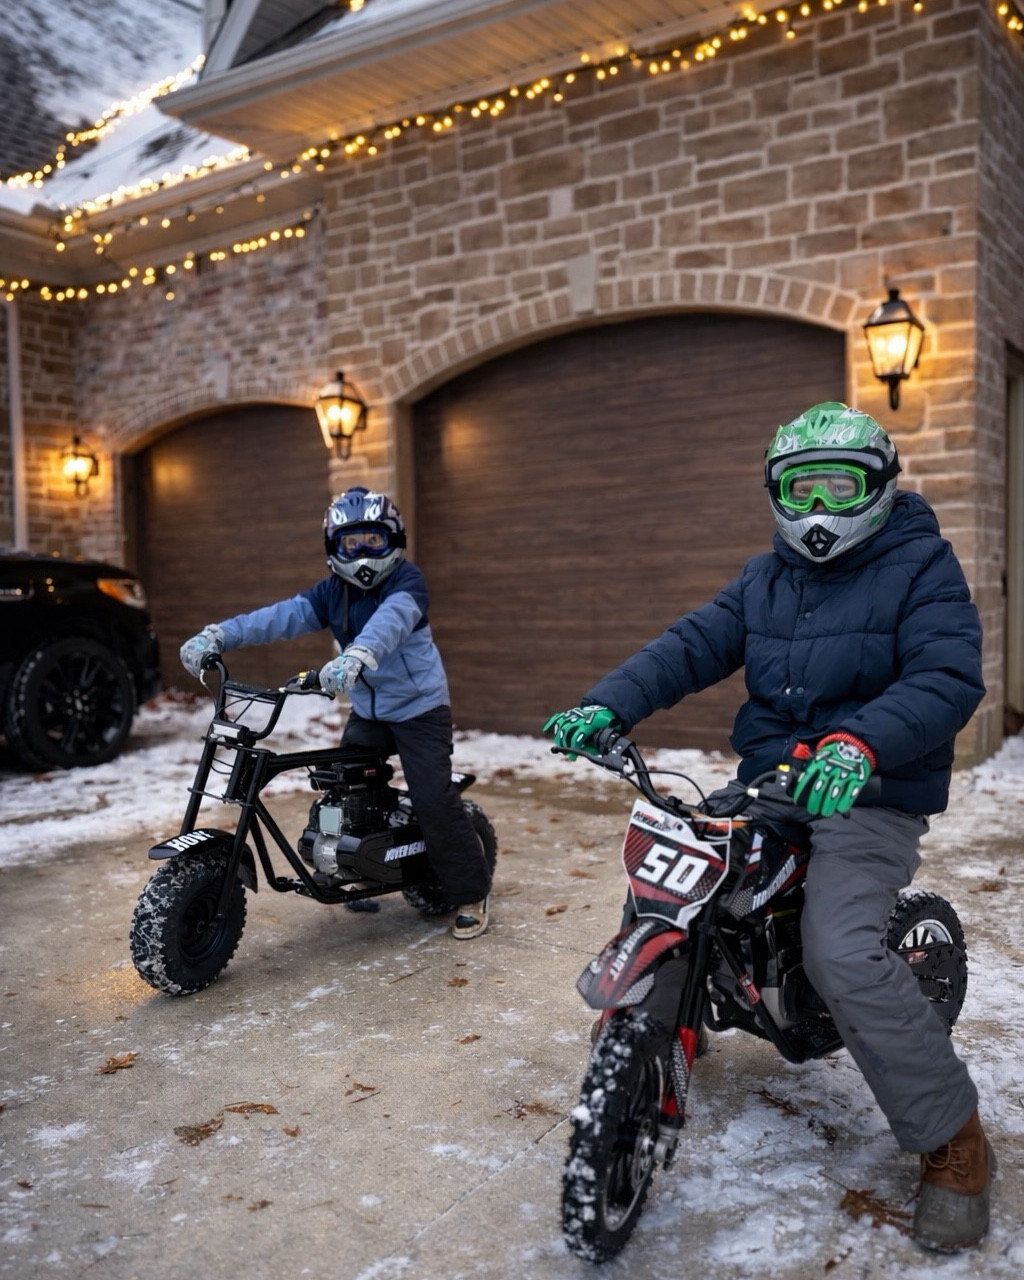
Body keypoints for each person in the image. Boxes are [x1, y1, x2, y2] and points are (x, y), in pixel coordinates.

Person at [543, 402, 994, 1253]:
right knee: (674, 871)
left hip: (870, 789)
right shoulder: (763, 577)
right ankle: (667, 1011)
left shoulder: (921, 565)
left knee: (842, 949)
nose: (820, 507)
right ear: (776, 494)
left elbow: (947, 677)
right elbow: (689, 646)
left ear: (880, 487)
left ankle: (953, 1140)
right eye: (802, 486)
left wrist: (862, 742)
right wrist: (608, 701)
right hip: (775, 780)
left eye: (840, 485)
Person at [180, 486, 492, 939]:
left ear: (394, 541)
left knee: (432, 798)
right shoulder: (332, 592)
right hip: (369, 711)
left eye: (373, 541)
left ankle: (470, 892)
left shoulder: (408, 582)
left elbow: (390, 624)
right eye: (351, 543)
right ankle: (348, 864)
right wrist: (219, 635)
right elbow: (280, 616)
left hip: (420, 711)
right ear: (334, 547)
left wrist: (356, 656)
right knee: (340, 794)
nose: (363, 553)